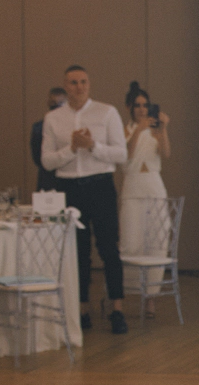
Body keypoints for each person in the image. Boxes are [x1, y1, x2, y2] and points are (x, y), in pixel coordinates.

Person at [39, 64, 127, 334]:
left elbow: (121, 154)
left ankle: (117, 309)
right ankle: (82, 309)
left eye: (83, 82)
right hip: (70, 188)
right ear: (65, 86)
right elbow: (47, 161)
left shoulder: (106, 112)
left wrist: (93, 147)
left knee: (109, 248)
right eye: (73, 82)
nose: (79, 87)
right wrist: (72, 149)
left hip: (100, 185)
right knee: (77, 252)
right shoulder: (53, 118)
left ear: (89, 84)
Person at [121, 83, 171, 316]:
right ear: (130, 108)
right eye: (137, 105)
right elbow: (126, 156)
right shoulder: (124, 130)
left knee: (156, 243)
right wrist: (139, 130)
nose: (142, 109)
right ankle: (127, 292)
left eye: (145, 105)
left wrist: (164, 129)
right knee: (131, 242)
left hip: (154, 187)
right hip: (132, 188)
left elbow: (166, 153)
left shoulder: (155, 129)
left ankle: (151, 297)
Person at [30, 88, 66, 193]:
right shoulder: (38, 128)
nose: (57, 106)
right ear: (48, 103)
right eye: (53, 103)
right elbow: (37, 157)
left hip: (70, 178)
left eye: (60, 103)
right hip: (47, 178)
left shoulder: (74, 126)